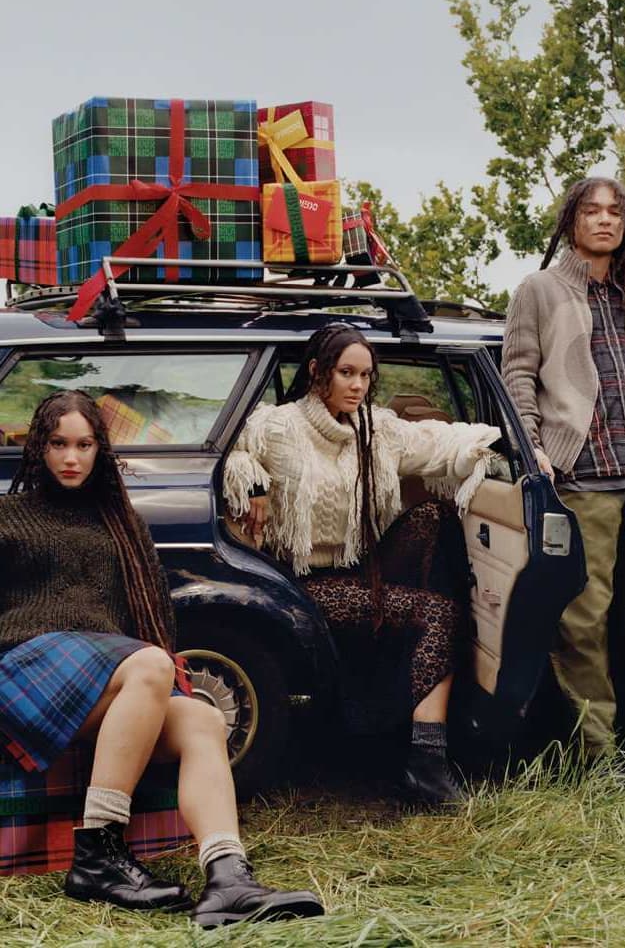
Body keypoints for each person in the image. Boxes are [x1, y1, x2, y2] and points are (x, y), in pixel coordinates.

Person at [0, 390, 323, 928]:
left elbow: (152, 621)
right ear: (39, 447)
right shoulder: (7, 516)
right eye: (58, 444)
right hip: (23, 670)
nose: (71, 457)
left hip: (96, 680)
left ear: (100, 451)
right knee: (150, 663)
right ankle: (99, 853)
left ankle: (227, 876)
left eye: (83, 444)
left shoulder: (121, 524)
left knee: (202, 717)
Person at [223, 324, 500, 804]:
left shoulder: (378, 428)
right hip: (300, 583)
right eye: (346, 373)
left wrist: (513, 447)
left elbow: (438, 441)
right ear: (317, 372)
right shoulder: (277, 426)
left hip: (360, 566)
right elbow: (227, 453)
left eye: (366, 375)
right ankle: (425, 763)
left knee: (435, 517)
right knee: (438, 614)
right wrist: (254, 484)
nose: (357, 385)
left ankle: (400, 703)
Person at [502, 176, 625, 758]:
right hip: (581, 472)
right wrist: (533, 445)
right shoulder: (540, 289)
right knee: (584, 616)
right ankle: (598, 755)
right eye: (592, 210)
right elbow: (518, 371)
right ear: (572, 218)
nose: (605, 219)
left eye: (615, 211)